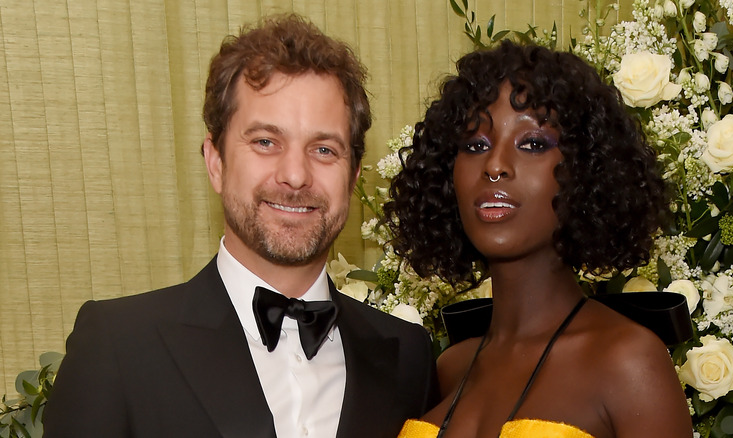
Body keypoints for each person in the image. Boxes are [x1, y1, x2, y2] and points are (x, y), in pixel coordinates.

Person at [43, 13, 437, 438]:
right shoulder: (119, 345)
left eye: (324, 149)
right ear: (215, 162)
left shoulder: (408, 356)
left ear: (354, 175)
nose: (295, 175)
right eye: (266, 142)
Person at [384, 41, 692, 438]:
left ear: (587, 172)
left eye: (532, 144)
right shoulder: (449, 367)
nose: (494, 165)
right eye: (475, 145)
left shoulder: (628, 361)